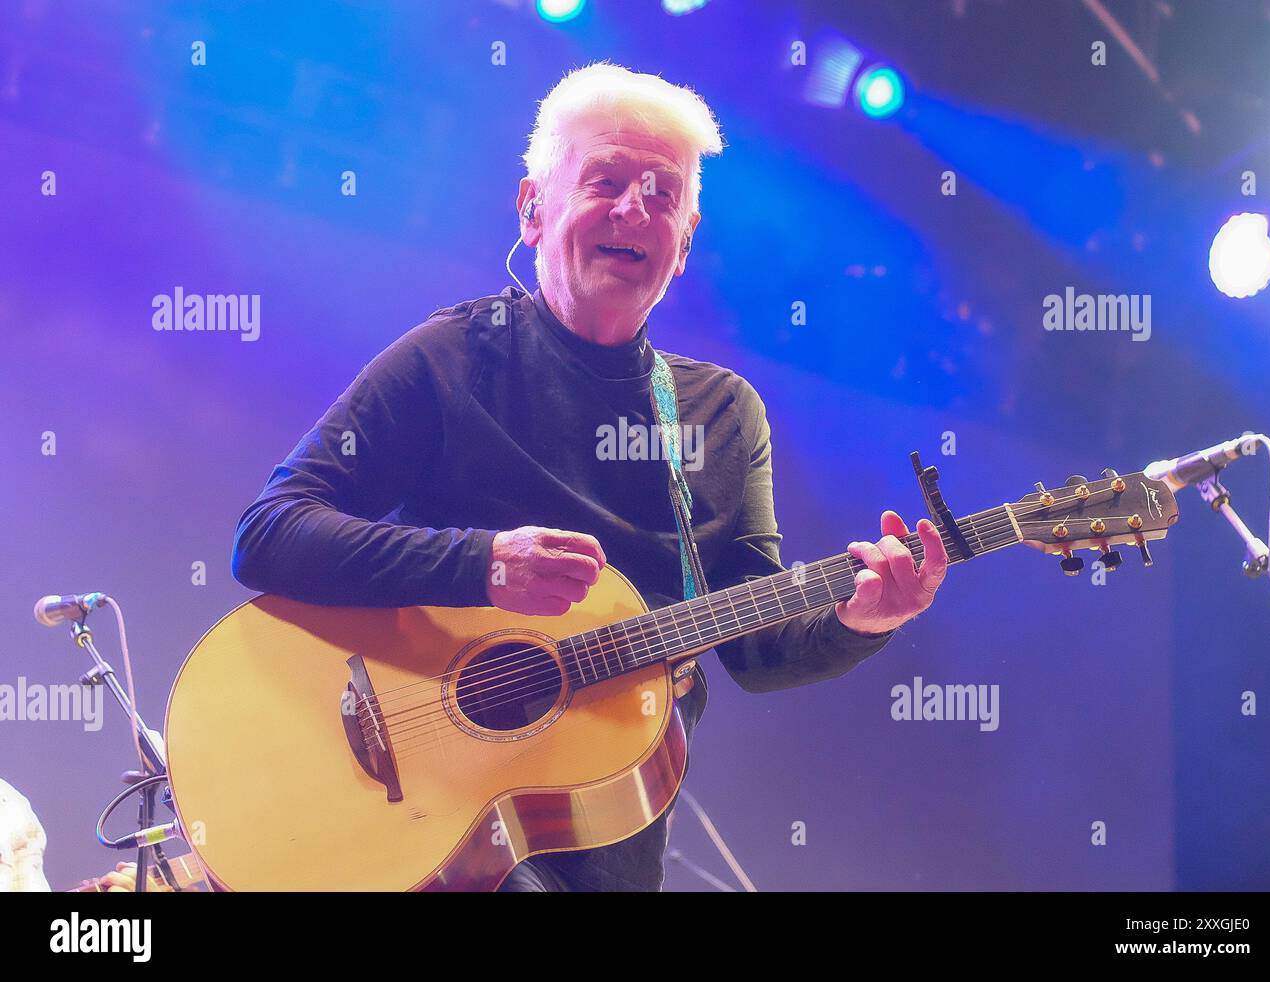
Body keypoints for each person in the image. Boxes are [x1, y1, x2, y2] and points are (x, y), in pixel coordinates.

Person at [231, 62, 947, 892]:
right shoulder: (450, 359)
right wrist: (481, 565)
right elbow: (269, 534)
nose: (635, 208)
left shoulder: (720, 414)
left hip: (603, 848)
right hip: (418, 817)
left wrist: (863, 621)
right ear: (533, 209)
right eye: (605, 180)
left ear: (684, 244)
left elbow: (755, 643)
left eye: (663, 193)